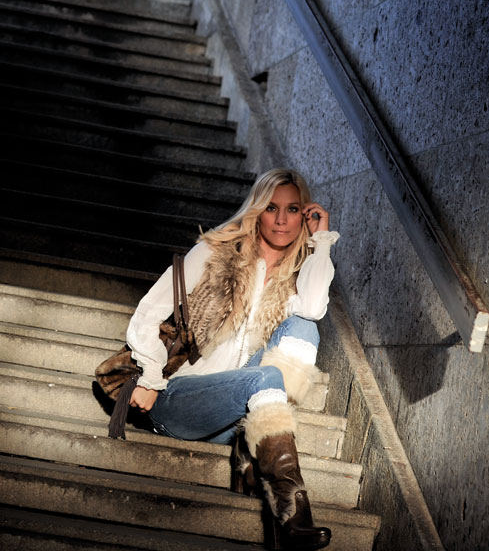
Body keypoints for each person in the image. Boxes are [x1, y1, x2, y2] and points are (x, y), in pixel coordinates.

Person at [126, 168, 337, 550]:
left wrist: (320, 242)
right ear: (257, 209)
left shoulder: (294, 275)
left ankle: (265, 474)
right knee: (265, 378)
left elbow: (312, 307)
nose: (281, 219)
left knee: (305, 327)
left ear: (302, 215)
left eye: (292, 209)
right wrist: (150, 377)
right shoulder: (215, 253)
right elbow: (148, 312)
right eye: (271, 207)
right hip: (179, 400)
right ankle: (291, 507)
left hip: (235, 417)